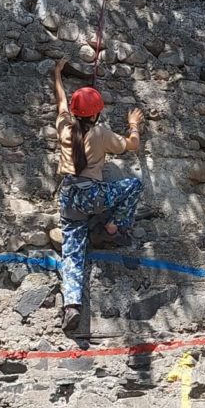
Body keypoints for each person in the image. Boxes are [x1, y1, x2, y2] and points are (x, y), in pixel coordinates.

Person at [54, 57, 144, 332]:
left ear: (73, 111)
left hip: (69, 198)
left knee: (72, 253)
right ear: (95, 114)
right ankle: (112, 227)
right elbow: (131, 146)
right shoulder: (101, 132)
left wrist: (57, 75)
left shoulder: (63, 127)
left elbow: (60, 102)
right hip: (94, 195)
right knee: (133, 185)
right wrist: (134, 124)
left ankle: (72, 305)